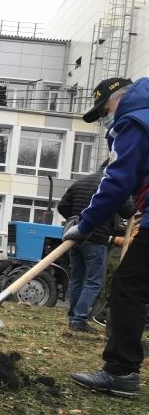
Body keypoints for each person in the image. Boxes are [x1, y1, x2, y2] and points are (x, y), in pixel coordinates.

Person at [62, 76, 149, 397]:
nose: (104, 119)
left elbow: (116, 183)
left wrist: (84, 226)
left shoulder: (134, 121)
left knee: (128, 289)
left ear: (120, 97)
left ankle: (121, 373)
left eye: (104, 110)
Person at [57, 160, 135, 333]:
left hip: (74, 237)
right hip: (96, 238)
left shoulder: (81, 181)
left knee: (77, 278)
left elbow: (62, 206)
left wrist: (77, 218)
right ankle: (79, 319)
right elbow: (128, 211)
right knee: (93, 282)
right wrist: (131, 192)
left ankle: (73, 317)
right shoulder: (114, 185)